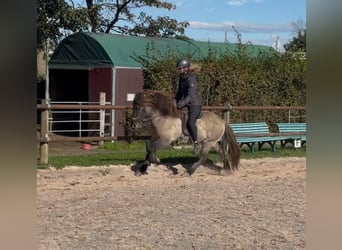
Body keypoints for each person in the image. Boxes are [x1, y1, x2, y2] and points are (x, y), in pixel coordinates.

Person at [175, 59, 203, 153]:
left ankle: (196, 143)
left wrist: (182, 103)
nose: (179, 70)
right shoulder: (182, 78)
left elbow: (190, 95)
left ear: (186, 68)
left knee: (190, 122)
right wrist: (175, 101)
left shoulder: (191, 79)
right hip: (187, 103)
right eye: (178, 68)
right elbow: (179, 92)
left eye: (180, 68)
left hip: (195, 104)